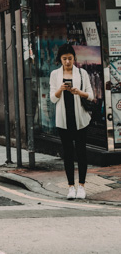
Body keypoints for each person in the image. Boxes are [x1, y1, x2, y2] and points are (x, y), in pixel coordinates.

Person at [49, 42, 94, 199]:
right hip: (63, 121)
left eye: (70, 58)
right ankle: (70, 187)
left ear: (74, 58)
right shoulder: (55, 75)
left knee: (81, 153)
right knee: (68, 154)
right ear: (60, 59)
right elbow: (52, 99)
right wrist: (60, 89)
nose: (67, 62)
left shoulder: (82, 74)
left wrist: (79, 92)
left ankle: (81, 186)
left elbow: (91, 95)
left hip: (80, 120)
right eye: (64, 59)